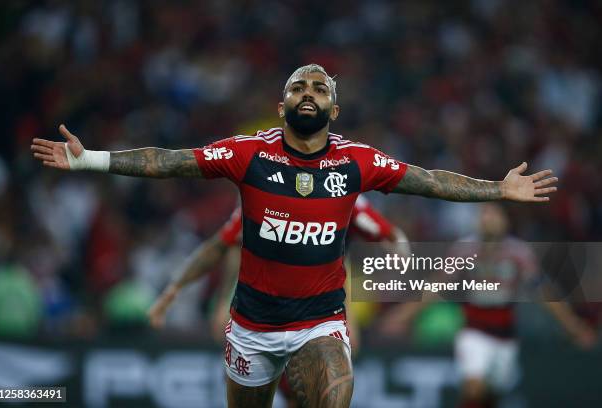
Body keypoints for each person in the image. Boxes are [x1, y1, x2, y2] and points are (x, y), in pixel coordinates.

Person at [31, 64, 558, 408]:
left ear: (334, 109)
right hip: (251, 325)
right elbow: (170, 162)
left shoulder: (357, 162)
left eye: (320, 88)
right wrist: (91, 159)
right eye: (297, 88)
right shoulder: (250, 153)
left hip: (319, 322)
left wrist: (498, 190)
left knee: (336, 391)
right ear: (282, 106)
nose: (309, 93)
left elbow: (431, 181)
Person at [148, 195, 409, 408]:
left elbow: (391, 237)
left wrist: (387, 278)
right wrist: (218, 299)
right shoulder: (265, 192)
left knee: (319, 382)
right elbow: (229, 245)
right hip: (264, 310)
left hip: (323, 307)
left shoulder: (345, 191)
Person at [379, 203, 596, 408]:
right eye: (484, 214)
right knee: (473, 389)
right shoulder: (465, 250)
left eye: (493, 214)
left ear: (506, 221)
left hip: (505, 337)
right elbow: (435, 287)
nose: (487, 219)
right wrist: (402, 315)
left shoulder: (519, 253)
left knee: (492, 396)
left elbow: (544, 294)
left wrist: (573, 326)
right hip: (474, 330)